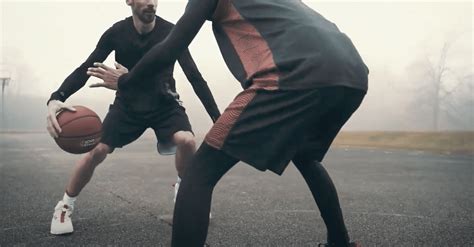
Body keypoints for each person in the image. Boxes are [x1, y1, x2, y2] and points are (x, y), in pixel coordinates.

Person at [97, 0, 369, 246]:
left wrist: (125, 81)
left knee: (198, 173)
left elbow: (170, 48)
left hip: (293, 74)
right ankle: (340, 243)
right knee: (306, 157)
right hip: (352, 73)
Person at [46, 0, 220, 235]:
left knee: (187, 141)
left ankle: (185, 191)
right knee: (96, 151)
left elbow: (194, 77)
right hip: (127, 108)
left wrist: (217, 119)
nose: (151, 2)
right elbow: (86, 68)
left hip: (165, 104)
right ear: (129, 1)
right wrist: (57, 97)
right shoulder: (117, 33)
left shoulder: (171, 32)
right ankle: (65, 205)